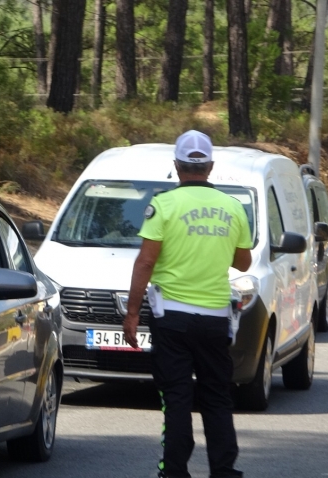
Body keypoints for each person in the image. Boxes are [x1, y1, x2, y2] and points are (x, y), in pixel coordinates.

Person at [123, 130, 253, 478]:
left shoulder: (163, 205)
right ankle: (224, 470)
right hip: (214, 320)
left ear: (177, 167)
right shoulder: (233, 207)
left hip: (172, 319)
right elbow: (244, 263)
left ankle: (175, 471)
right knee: (217, 398)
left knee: (177, 398)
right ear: (209, 166)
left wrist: (132, 312)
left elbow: (146, 262)